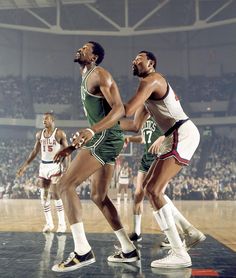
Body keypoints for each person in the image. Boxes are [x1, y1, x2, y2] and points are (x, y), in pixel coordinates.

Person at [51, 41, 139, 272]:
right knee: (99, 196)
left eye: (86, 48)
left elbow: (119, 109)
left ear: (95, 57)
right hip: (105, 137)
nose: (80, 48)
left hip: (106, 136)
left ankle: (82, 251)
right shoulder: (86, 77)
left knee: (64, 186)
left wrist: (92, 131)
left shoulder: (99, 74)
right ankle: (128, 249)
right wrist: (73, 146)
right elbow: (99, 116)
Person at [123, 50, 206, 268]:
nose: (134, 60)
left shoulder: (152, 80)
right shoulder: (147, 91)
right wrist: (101, 129)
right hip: (174, 135)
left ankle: (180, 253)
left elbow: (127, 109)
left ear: (150, 63)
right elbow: (133, 125)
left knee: (153, 191)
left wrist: (102, 117)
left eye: (138, 58)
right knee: (148, 188)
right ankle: (190, 232)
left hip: (181, 132)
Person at [16, 112, 69, 233]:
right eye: (43, 119)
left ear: (52, 120)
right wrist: (25, 166)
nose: (43, 121)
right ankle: (49, 224)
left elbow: (67, 151)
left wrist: (67, 168)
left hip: (55, 166)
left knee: (55, 194)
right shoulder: (39, 135)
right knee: (43, 197)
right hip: (43, 166)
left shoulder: (59, 133)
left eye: (46, 119)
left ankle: (62, 225)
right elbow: (35, 151)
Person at [122, 116, 162, 242]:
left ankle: (171, 234)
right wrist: (129, 138)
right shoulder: (145, 120)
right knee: (138, 193)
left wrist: (162, 138)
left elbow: (174, 131)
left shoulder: (161, 114)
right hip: (146, 158)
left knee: (157, 197)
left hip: (160, 157)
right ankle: (137, 232)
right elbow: (145, 138)